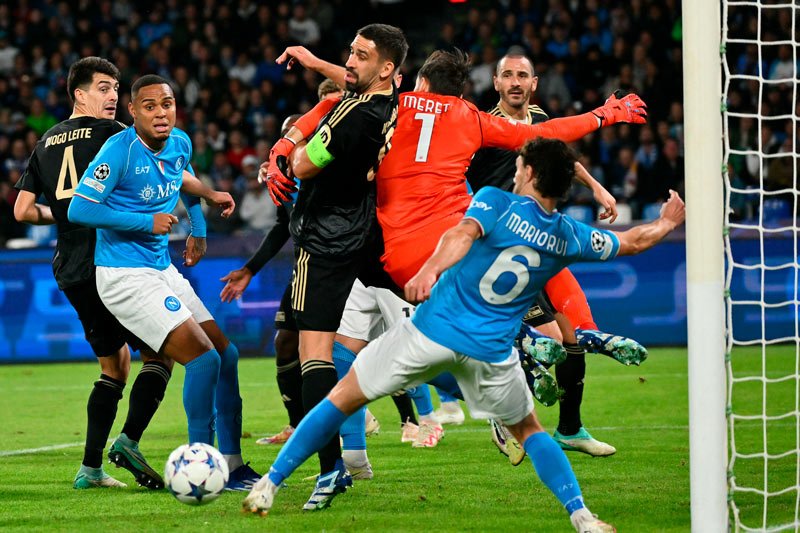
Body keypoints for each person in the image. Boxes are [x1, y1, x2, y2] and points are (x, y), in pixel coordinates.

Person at [243, 138, 686, 533]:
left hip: (431, 331)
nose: (515, 168)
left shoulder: (495, 201)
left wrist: (431, 269)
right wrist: (667, 222)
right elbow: (632, 241)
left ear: (530, 173)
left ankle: (268, 485)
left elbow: (461, 233)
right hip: (491, 353)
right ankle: (582, 517)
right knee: (531, 430)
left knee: (341, 398)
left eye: (520, 164)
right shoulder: (570, 235)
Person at [271, 47, 647, 456]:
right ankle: (536, 354)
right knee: (537, 325)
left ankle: (343, 459)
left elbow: (353, 87)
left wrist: (290, 133)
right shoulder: (475, 118)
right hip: (475, 237)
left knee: (390, 340)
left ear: (421, 82)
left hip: (400, 246)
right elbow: (552, 133)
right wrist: (603, 115)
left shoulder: (394, 104)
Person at [67, 74, 260, 492]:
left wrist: (202, 215)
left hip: (162, 269)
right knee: (204, 359)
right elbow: (80, 209)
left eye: (167, 104)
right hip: (124, 276)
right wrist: (145, 221)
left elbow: (184, 179)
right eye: (150, 106)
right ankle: (202, 470)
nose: (161, 113)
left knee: (227, 357)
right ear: (133, 112)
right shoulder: (118, 150)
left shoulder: (180, 142)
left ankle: (232, 463)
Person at [466, 50, 649, 458]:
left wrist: (596, 187)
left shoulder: (541, 121)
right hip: (500, 252)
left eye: (523, 76)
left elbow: (563, 155)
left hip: (540, 243)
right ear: (495, 82)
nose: (515, 82)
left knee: (570, 341)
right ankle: (503, 406)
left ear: (534, 83)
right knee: (549, 337)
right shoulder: (479, 126)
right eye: (507, 75)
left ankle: (570, 428)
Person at [261, 24, 408, 510]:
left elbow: (303, 166)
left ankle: (330, 471)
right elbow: (344, 85)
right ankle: (518, 343)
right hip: (367, 228)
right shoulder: (392, 99)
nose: (349, 61)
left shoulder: (354, 119)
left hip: (324, 239)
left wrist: (287, 153)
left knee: (314, 357)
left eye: (360, 55)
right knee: (424, 309)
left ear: (385, 68)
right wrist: (313, 61)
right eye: (350, 50)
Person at [13, 57, 176, 490]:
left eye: (116, 88)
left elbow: (23, 211)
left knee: (114, 367)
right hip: (116, 262)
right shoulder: (119, 136)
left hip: (70, 268)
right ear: (79, 94)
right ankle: (129, 441)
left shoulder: (44, 142)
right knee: (161, 354)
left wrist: (62, 215)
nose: (113, 97)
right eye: (103, 88)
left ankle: (90, 470)